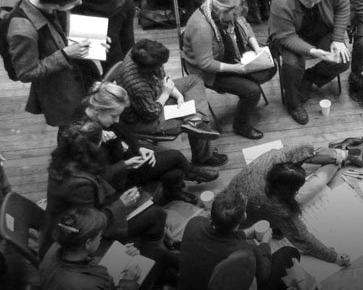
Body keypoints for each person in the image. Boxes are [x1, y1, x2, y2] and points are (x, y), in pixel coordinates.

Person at [219, 140, 363, 264]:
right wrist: (333, 257)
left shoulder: (273, 157)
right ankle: (342, 156)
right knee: (317, 183)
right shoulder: (277, 206)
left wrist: (340, 154)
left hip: (234, 194)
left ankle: (345, 153)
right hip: (250, 213)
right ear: (289, 192)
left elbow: (305, 150)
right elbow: (302, 238)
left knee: (309, 153)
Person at [41, 121, 168, 260]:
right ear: (94, 146)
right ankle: (150, 260)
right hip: (75, 238)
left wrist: (124, 165)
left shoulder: (66, 160)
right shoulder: (80, 184)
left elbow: (98, 179)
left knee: (147, 204)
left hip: (68, 223)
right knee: (157, 214)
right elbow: (89, 223)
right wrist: (122, 204)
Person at [80, 82, 218, 205]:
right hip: (119, 176)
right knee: (175, 157)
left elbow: (122, 128)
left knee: (175, 172)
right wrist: (125, 164)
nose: (116, 120)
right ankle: (191, 172)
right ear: (98, 111)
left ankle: (172, 195)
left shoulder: (100, 114)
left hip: (126, 157)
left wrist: (138, 147)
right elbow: (97, 178)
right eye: (114, 116)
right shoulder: (83, 137)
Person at [7, 0, 100, 130]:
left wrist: (95, 40)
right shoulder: (23, 31)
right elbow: (26, 73)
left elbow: (60, 34)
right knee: (70, 130)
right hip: (60, 92)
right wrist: (65, 54)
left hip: (75, 80)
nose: (80, 2)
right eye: (74, 1)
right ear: (55, 5)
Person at [111, 39, 225, 166]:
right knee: (195, 113)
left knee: (194, 81)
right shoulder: (136, 84)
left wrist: (177, 94)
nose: (161, 67)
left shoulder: (144, 52)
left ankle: (195, 121)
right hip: (143, 118)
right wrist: (166, 93)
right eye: (159, 65)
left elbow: (161, 77)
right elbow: (151, 113)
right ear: (147, 68)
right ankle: (202, 156)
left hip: (155, 93)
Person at [183, 0, 278, 140]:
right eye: (234, 14)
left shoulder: (228, 13)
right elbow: (205, 63)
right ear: (223, 11)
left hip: (231, 55)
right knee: (252, 91)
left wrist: (257, 49)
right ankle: (240, 125)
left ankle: (246, 83)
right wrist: (236, 69)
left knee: (270, 66)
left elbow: (245, 26)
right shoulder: (201, 27)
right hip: (209, 70)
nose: (237, 17)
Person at [269, 0, 351, 124]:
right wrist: (313, 51)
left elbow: (343, 7)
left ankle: (308, 78)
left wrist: (338, 38)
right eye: (307, 1)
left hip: (321, 30)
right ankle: (293, 104)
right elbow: (286, 37)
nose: (312, 4)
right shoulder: (281, 1)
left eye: (316, 0)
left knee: (342, 60)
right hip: (291, 35)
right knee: (292, 65)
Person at [178, 190, 301, 290]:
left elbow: (222, 235)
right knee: (289, 252)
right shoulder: (245, 251)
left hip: (190, 283)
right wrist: (265, 243)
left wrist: (246, 232)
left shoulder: (194, 223)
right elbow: (263, 276)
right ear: (244, 217)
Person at [39, 207, 143, 290]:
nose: (100, 239)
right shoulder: (91, 284)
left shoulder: (56, 247)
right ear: (88, 243)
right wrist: (128, 282)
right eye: (100, 237)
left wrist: (118, 255)